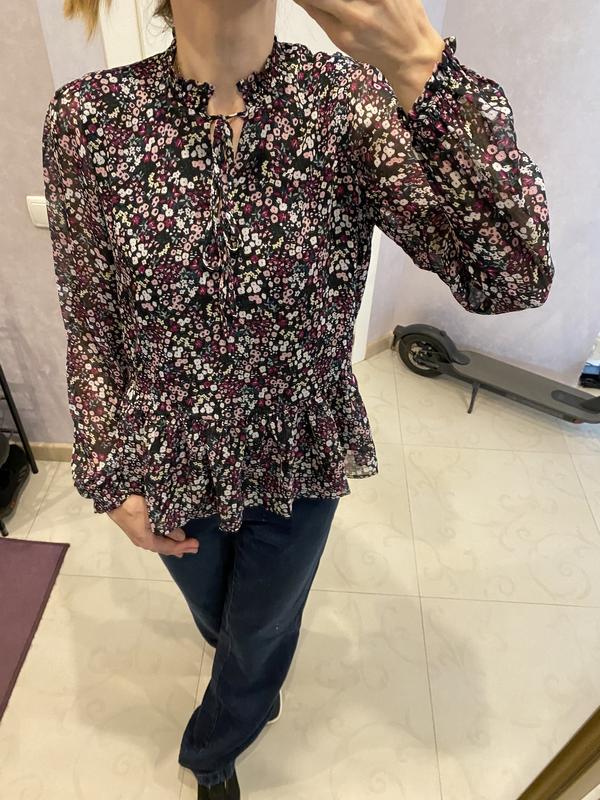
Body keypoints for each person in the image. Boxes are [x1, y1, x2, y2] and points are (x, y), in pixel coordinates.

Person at [42, 0, 555, 797]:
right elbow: (91, 316)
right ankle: (245, 681)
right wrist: (108, 467)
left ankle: (212, 752)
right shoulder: (90, 119)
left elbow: (511, 275)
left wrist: (419, 63)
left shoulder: (347, 104)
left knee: (260, 631)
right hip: (170, 452)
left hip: (298, 451)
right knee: (221, 620)